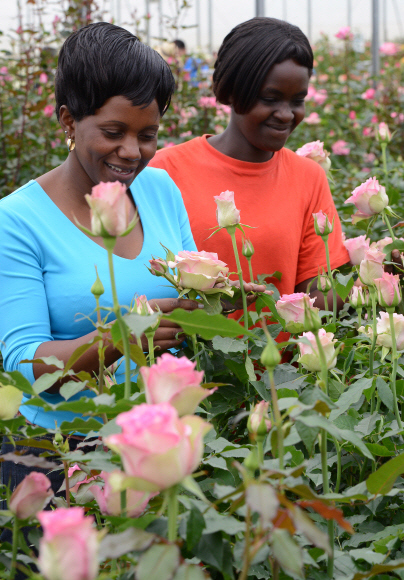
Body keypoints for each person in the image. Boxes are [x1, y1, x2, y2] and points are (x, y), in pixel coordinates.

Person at [149, 17, 350, 311]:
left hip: (284, 357)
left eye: (298, 100)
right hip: (185, 354)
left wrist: (379, 275)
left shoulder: (308, 177)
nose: (285, 114)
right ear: (230, 90)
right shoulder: (164, 171)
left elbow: (318, 296)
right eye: (270, 98)